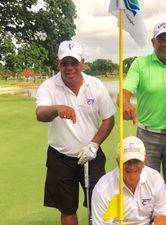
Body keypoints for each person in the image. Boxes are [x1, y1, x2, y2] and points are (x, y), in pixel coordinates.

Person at [35, 40, 116, 225]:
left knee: (99, 204)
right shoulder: (48, 87)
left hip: (92, 156)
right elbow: (40, 113)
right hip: (61, 158)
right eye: (65, 63)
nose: (69, 68)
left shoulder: (95, 85)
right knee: (67, 209)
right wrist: (56, 109)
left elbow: (109, 119)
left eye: (74, 62)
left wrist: (94, 145)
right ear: (58, 64)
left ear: (82, 63)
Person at [121, 20, 166, 225]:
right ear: (153, 41)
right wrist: (125, 103)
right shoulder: (140, 64)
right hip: (147, 136)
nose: (165, 43)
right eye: (161, 39)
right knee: (144, 186)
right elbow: (125, 93)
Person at [92, 136, 166, 225]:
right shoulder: (102, 189)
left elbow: (163, 215)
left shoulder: (155, 179)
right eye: (127, 161)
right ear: (118, 162)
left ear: (144, 161)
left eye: (136, 161)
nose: (132, 166)